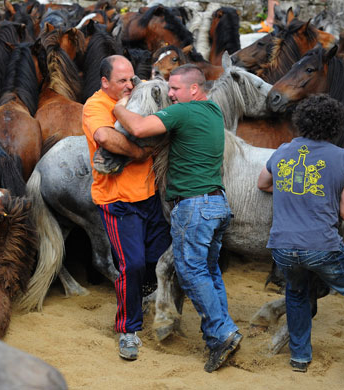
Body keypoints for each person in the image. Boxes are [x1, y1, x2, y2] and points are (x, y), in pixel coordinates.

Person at [257, 94, 344, 389]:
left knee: (296, 293)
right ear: (335, 125)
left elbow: (262, 183)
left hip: (281, 245)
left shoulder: (281, 151)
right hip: (321, 245)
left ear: (301, 122)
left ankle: (300, 357)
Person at [112, 64, 242, 373]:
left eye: (175, 89)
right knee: (209, 272)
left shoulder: (184, 112)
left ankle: (223, 333)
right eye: (169, 89)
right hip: (216, 204)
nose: (170, 94)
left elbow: (140, 129)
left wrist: (119, 108)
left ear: (194, 89)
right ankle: (219, 335)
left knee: (191, 273)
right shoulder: (213, 111)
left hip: (194, 208)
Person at [82, 55, 171, 361]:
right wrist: (142, 152)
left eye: (132, 78)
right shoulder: (95, 106)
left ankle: (143, 295)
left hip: (149, 196)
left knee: (157, 257)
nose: (129, 85)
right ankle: (128, 329)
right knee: (130, 265)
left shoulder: (137, 88)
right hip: (118, 202)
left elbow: (163, 89)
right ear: (104, 82)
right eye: (121, 81)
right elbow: (105, 136)